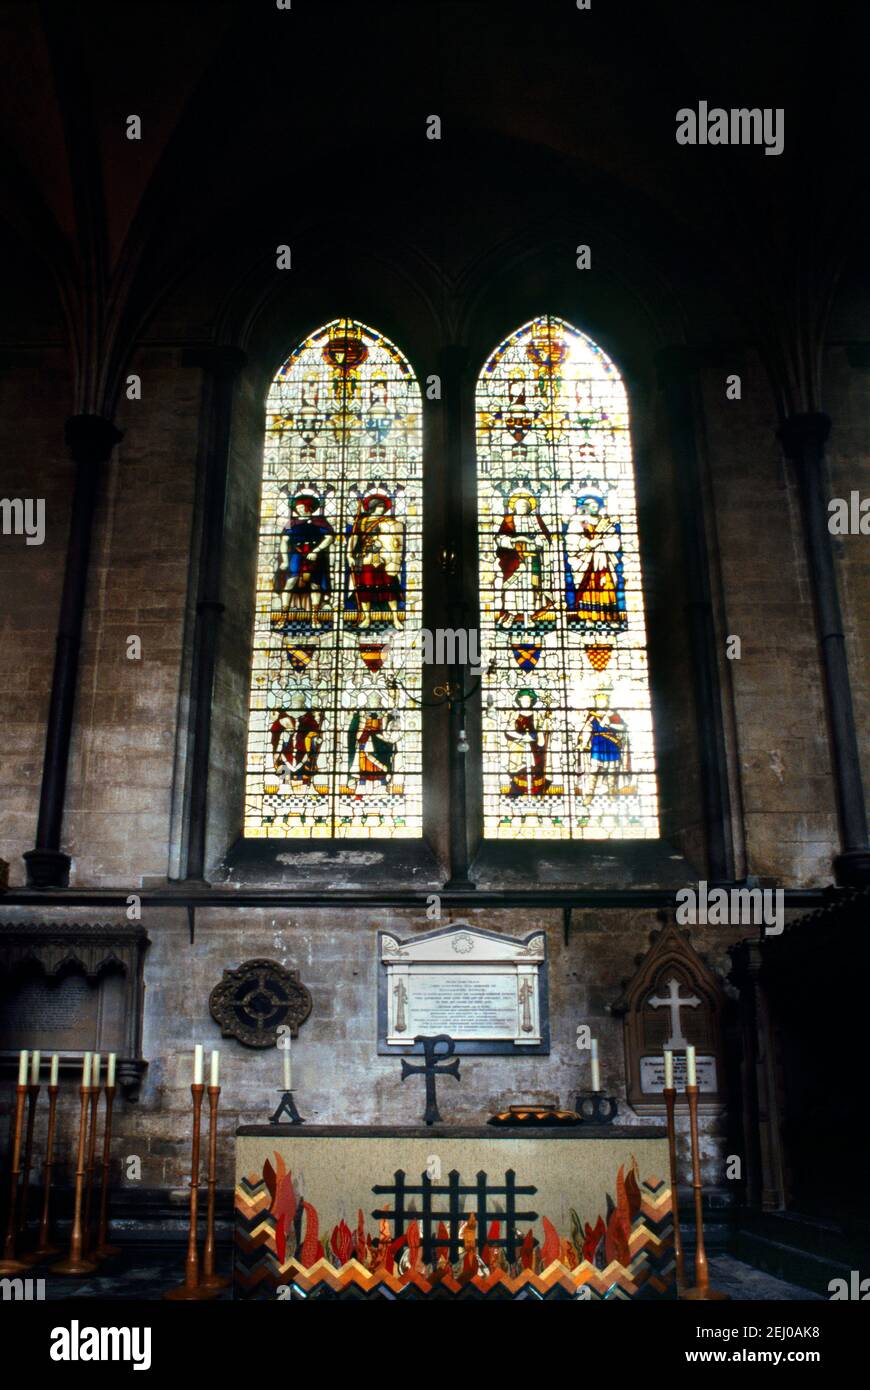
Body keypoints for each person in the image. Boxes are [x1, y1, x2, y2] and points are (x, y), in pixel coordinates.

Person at [563, 491, 625, 630]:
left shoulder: (606, 523)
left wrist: (601, 542)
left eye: (596, 505)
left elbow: (615, 541)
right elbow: (571, 540)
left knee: (607, 586)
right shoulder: (578, 523)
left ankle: (610, 617)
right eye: (591, 505)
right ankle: (589, 617)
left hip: (603, 561)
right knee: (587, 587)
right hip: (585, 562)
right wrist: (587, 544)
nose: (594, 507)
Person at [495, 489, 554, 629]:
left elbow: (545, 538)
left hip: (532, 559)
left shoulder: (535, 519)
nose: (523, 508)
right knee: (512, 589)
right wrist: (514, 541)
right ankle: (511, 616)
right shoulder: (509, 520)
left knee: (532, 589)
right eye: (520, 505)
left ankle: (530, 616)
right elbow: (499, 538)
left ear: (530, 508)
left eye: (525, 506)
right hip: (514, 561)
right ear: (514, 507)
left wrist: (535, 543)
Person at [273, 490, 334, 621]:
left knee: (315, 585)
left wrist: (316, 551)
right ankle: (283, 617)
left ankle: (314, 617)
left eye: (301, 507)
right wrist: (284, 560)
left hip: (315, 556)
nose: (299, 510)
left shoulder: (320, 521)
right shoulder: (292, 523)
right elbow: (284, 541)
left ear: (308, 507)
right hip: (296, 554)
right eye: (297, 508)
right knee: (290, 583)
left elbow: (329, 538)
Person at [347, 492, 404, 630]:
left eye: (383, 507)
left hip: (384, 560)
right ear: (372, 507)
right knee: (365, 590)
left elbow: (395, 541)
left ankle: (395, 618)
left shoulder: (389, 522)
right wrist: (349, 555)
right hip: (365, 559)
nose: (382, 509)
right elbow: (353, 539)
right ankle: (367, 618)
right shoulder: (361, 522)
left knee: (389, 588)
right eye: (379, 506)